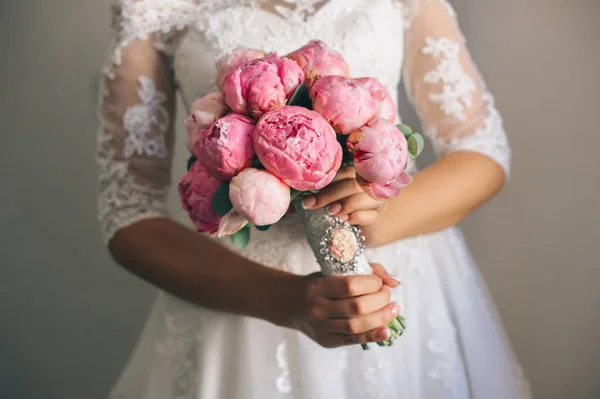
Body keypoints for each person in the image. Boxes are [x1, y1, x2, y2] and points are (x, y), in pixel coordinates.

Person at [97, 0, 531, 398]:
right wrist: (288, 302)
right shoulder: (152, 6)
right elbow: (129, 211)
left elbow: (482, 151)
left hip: (404, 284)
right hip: (245, 301)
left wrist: (384, 214)